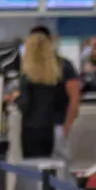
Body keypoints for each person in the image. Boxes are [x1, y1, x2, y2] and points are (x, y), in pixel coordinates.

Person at [27, 26, 80, 163]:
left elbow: (74, 98)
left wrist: (66, 127)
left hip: (52, 125)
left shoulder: (62, 65)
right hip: (40, 128)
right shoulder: (27, 68)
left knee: (57, 166)